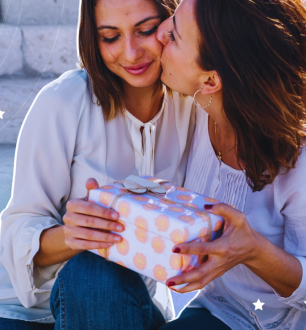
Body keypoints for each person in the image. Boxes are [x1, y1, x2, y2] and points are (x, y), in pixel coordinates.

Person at [0, 0, 197, 329]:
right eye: (110, 37)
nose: (131, 53)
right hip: (30, 313)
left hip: (129, 304)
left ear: (172, 22)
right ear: (92, 39)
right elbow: (18, 228)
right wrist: (73, 235)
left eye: (145, 31)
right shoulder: (62, 101)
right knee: (94, 270)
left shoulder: (192, 105)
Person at [154, 0, 306, 329]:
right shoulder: (191, 112)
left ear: (210, 81)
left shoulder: (300, 161)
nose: (161, 31)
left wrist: (253, 250)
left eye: (176, 36)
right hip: (217, 312)